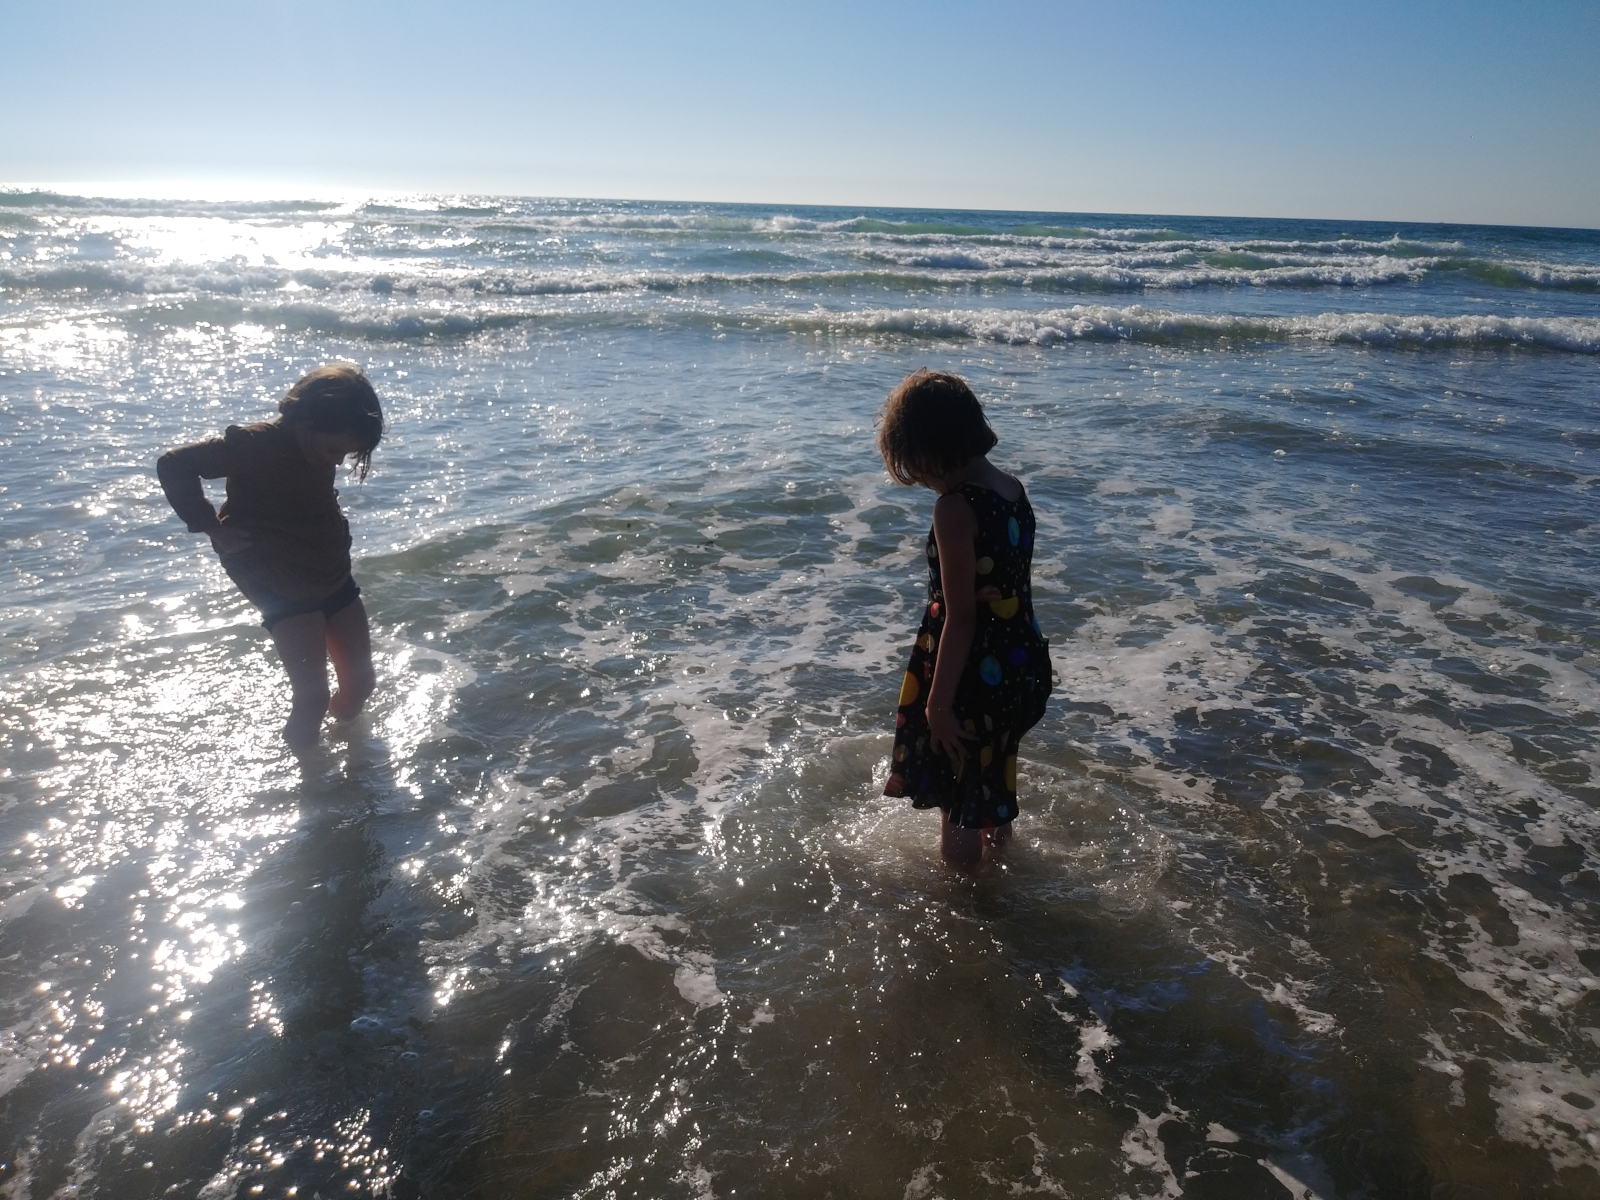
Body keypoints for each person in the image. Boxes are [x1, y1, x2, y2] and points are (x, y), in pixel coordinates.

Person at [157, 364, 386, 746]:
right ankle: (310, 775)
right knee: (312, 698)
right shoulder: (255, 444)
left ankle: (349, 754)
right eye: (334, 450)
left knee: (361, 683)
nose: (336, 462)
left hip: (327, 564)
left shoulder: (316, 445)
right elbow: (174, 464)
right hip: (274, 573)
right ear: (305, 422)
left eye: (345, 455)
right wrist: (211, 526)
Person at [878, 369, 1052, 866]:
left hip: (974, 671)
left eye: (917, 468)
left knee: (957, 798)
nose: (923, 481)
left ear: (930, 449)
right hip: (1020, 661)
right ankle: (1003, 869)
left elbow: (961, 620)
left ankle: (965, 898)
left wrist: (937, 706)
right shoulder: (1011, 489)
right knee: (987, 777)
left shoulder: (954, 510)